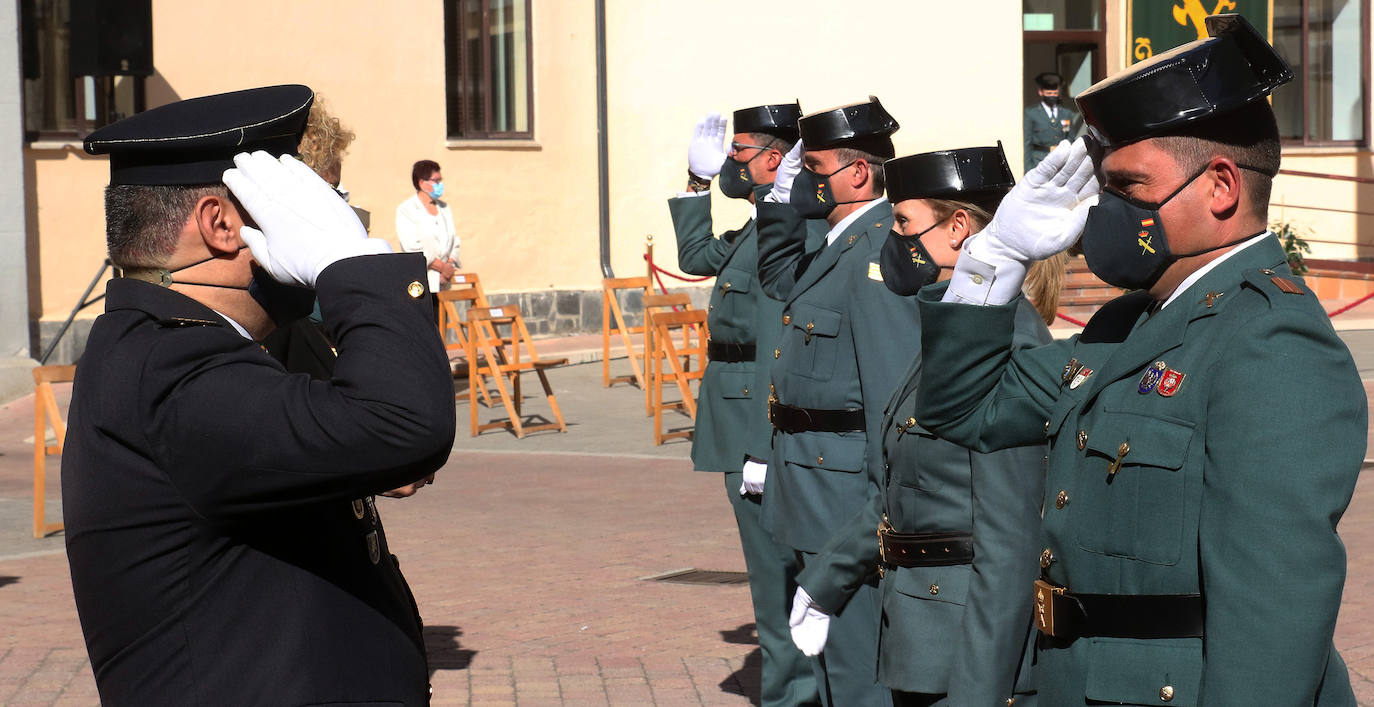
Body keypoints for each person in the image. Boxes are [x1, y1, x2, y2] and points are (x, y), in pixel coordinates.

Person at [914, 15, 1364, 704]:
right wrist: (994, 257)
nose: (1105, 211)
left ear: (1220, 187)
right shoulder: (1128, 323)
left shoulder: (1271, 343)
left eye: (1127, 188)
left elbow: (1273, 621)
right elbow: (961, 409)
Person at [63, 84, 455, 706]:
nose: (336, 216)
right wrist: (350, 262)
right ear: (221, 224)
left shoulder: (180, 348)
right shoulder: (170, 370)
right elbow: (404, 422)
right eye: (306, 201)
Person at [791, 145, 1050, 706]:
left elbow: (1011, 544)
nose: (894, 239)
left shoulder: (1008, 345)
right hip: (920, 637)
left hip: (966, 649)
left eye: (904, 223)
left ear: (958, 227)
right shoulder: (951, 338)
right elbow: (903, 491)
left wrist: (981, 690)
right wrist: (826, 580)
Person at [754, 96, 914, 707]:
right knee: (826, 665)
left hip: (845, 493)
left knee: (856, 670)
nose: (803, 181)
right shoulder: (837, 242)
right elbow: (779, 281)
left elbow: (891, 399)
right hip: (810, 481)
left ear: (857, 172)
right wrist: (777, 206)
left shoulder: (879, 250)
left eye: (813, 169)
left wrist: (880, 506)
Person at [668, 102, 822, 707]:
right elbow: (694, 257)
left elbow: (771, 346)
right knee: (774, 570)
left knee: (775, 573)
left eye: (739, 152)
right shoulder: (761, 225)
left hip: (753, 414)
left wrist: (762, 442)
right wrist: (696, 184)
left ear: (775, 159)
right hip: (737, 409)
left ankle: (793, 695)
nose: (731, 161)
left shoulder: (790, 229)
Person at [396, 158, 461, 292]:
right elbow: (412, 247)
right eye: (436, 181)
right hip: (421, 283)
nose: (440, 184)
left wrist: (448, 266)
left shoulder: (444, 208)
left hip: (444, 283)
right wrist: (441, 268)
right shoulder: (407, 209)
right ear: (421, 182)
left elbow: (455, 241)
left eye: (440, 180)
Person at [1023, 72, 1081, 173]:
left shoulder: (1066, 113)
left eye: (1055, 94)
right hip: (1039, 161)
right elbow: (1027, 143)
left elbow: (1071, 137)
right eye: (1049, 94)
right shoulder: (1031, 113)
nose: (1052, 96)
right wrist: (1028, 168)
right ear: (1041, 92)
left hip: (1061, 161)